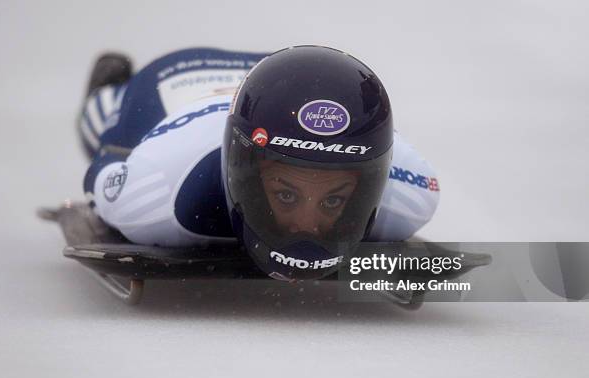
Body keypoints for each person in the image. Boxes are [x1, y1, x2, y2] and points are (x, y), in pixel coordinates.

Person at [80, 46, 440, 280]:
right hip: (178, 79)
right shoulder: (156, 190)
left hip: (289, 77)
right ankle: (111, 85)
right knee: (99, 124)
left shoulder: (411, 191)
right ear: (245, 175)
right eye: (286, 196)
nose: (306, 226)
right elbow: (103, 169)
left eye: (333, 200)